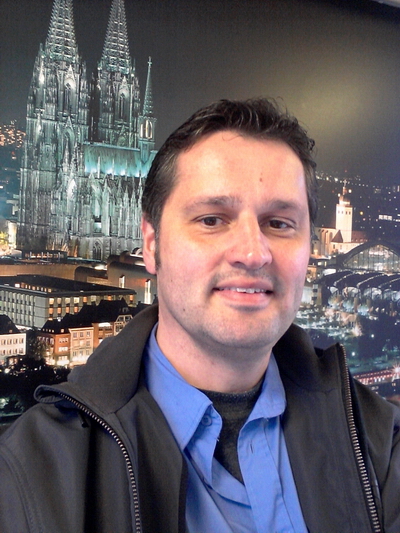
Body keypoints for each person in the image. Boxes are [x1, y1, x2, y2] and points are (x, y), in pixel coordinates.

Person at [1, 98, 399, 533]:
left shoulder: (378, 442)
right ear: (151, 244)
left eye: (279, 223)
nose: (252, 253)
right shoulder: (32, 476)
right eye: (211, 220)